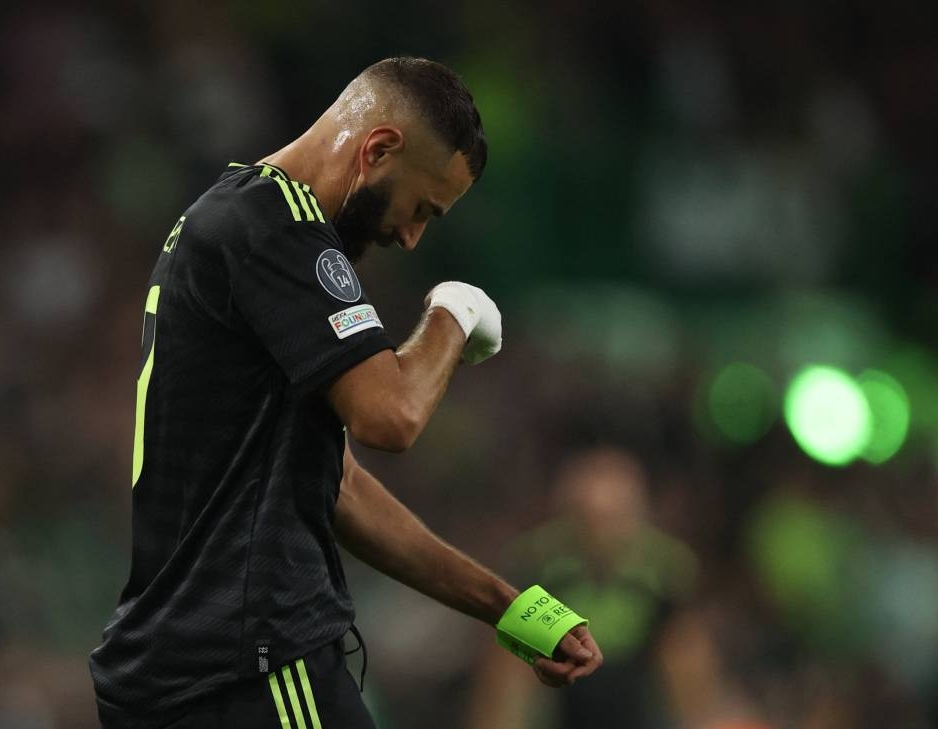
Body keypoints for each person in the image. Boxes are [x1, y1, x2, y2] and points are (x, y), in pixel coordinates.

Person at [89, 57, 602, 729]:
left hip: (188, 670)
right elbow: (391, 416)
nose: (411, 237)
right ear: (379, 149)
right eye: (421, 209)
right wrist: (455, 309)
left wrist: (513, 610)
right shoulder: (278, 227)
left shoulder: (233, 217)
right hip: (249, 666)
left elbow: (342, 489)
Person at [467, 446, 695, 729]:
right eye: (589, 518)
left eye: (613, 518)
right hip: (564, 708)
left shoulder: (664, 569)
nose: (602, 534)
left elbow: (684, 661)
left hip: (639, 708)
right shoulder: (539, 566)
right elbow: (508, 672)